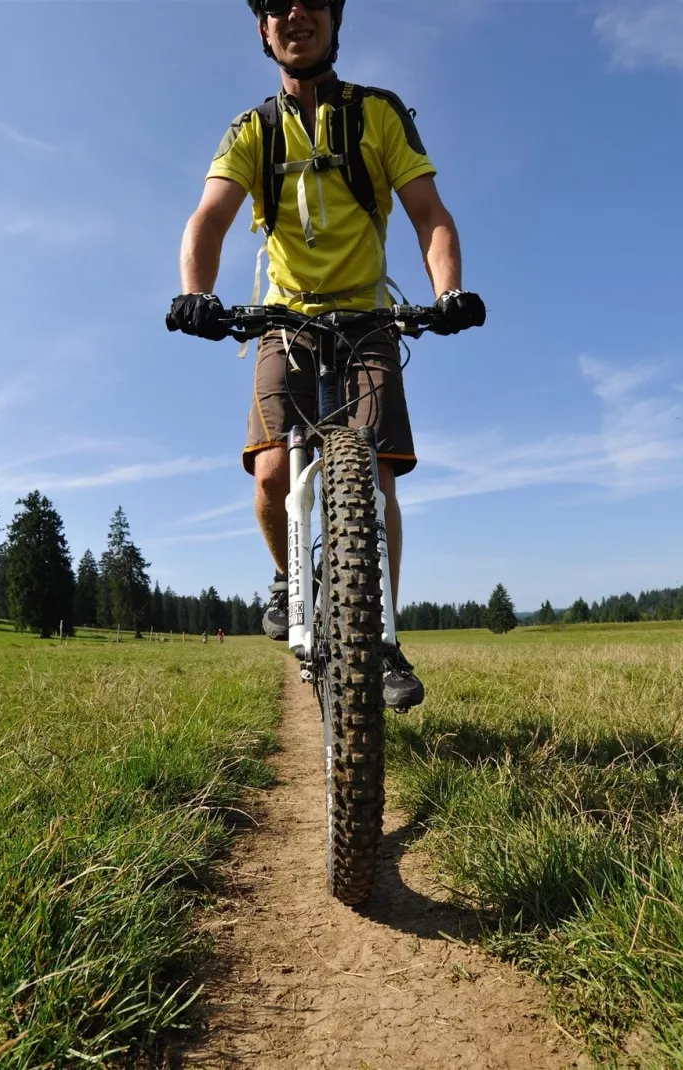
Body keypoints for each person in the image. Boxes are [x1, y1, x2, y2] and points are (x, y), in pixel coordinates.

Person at [166, 0, 484, 708]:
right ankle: (287, 576)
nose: (293, 14)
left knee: (374, 475)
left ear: (337, 19)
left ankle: (382, 635)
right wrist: (196, 293)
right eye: (276, 6)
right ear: (262, 29)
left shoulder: (379, 113)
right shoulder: (252, 131)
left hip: (369, 316)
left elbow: (430, 214)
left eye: (311, 1)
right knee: (273, 471)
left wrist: (450, 289)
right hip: (284, 319)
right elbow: (209, 218)